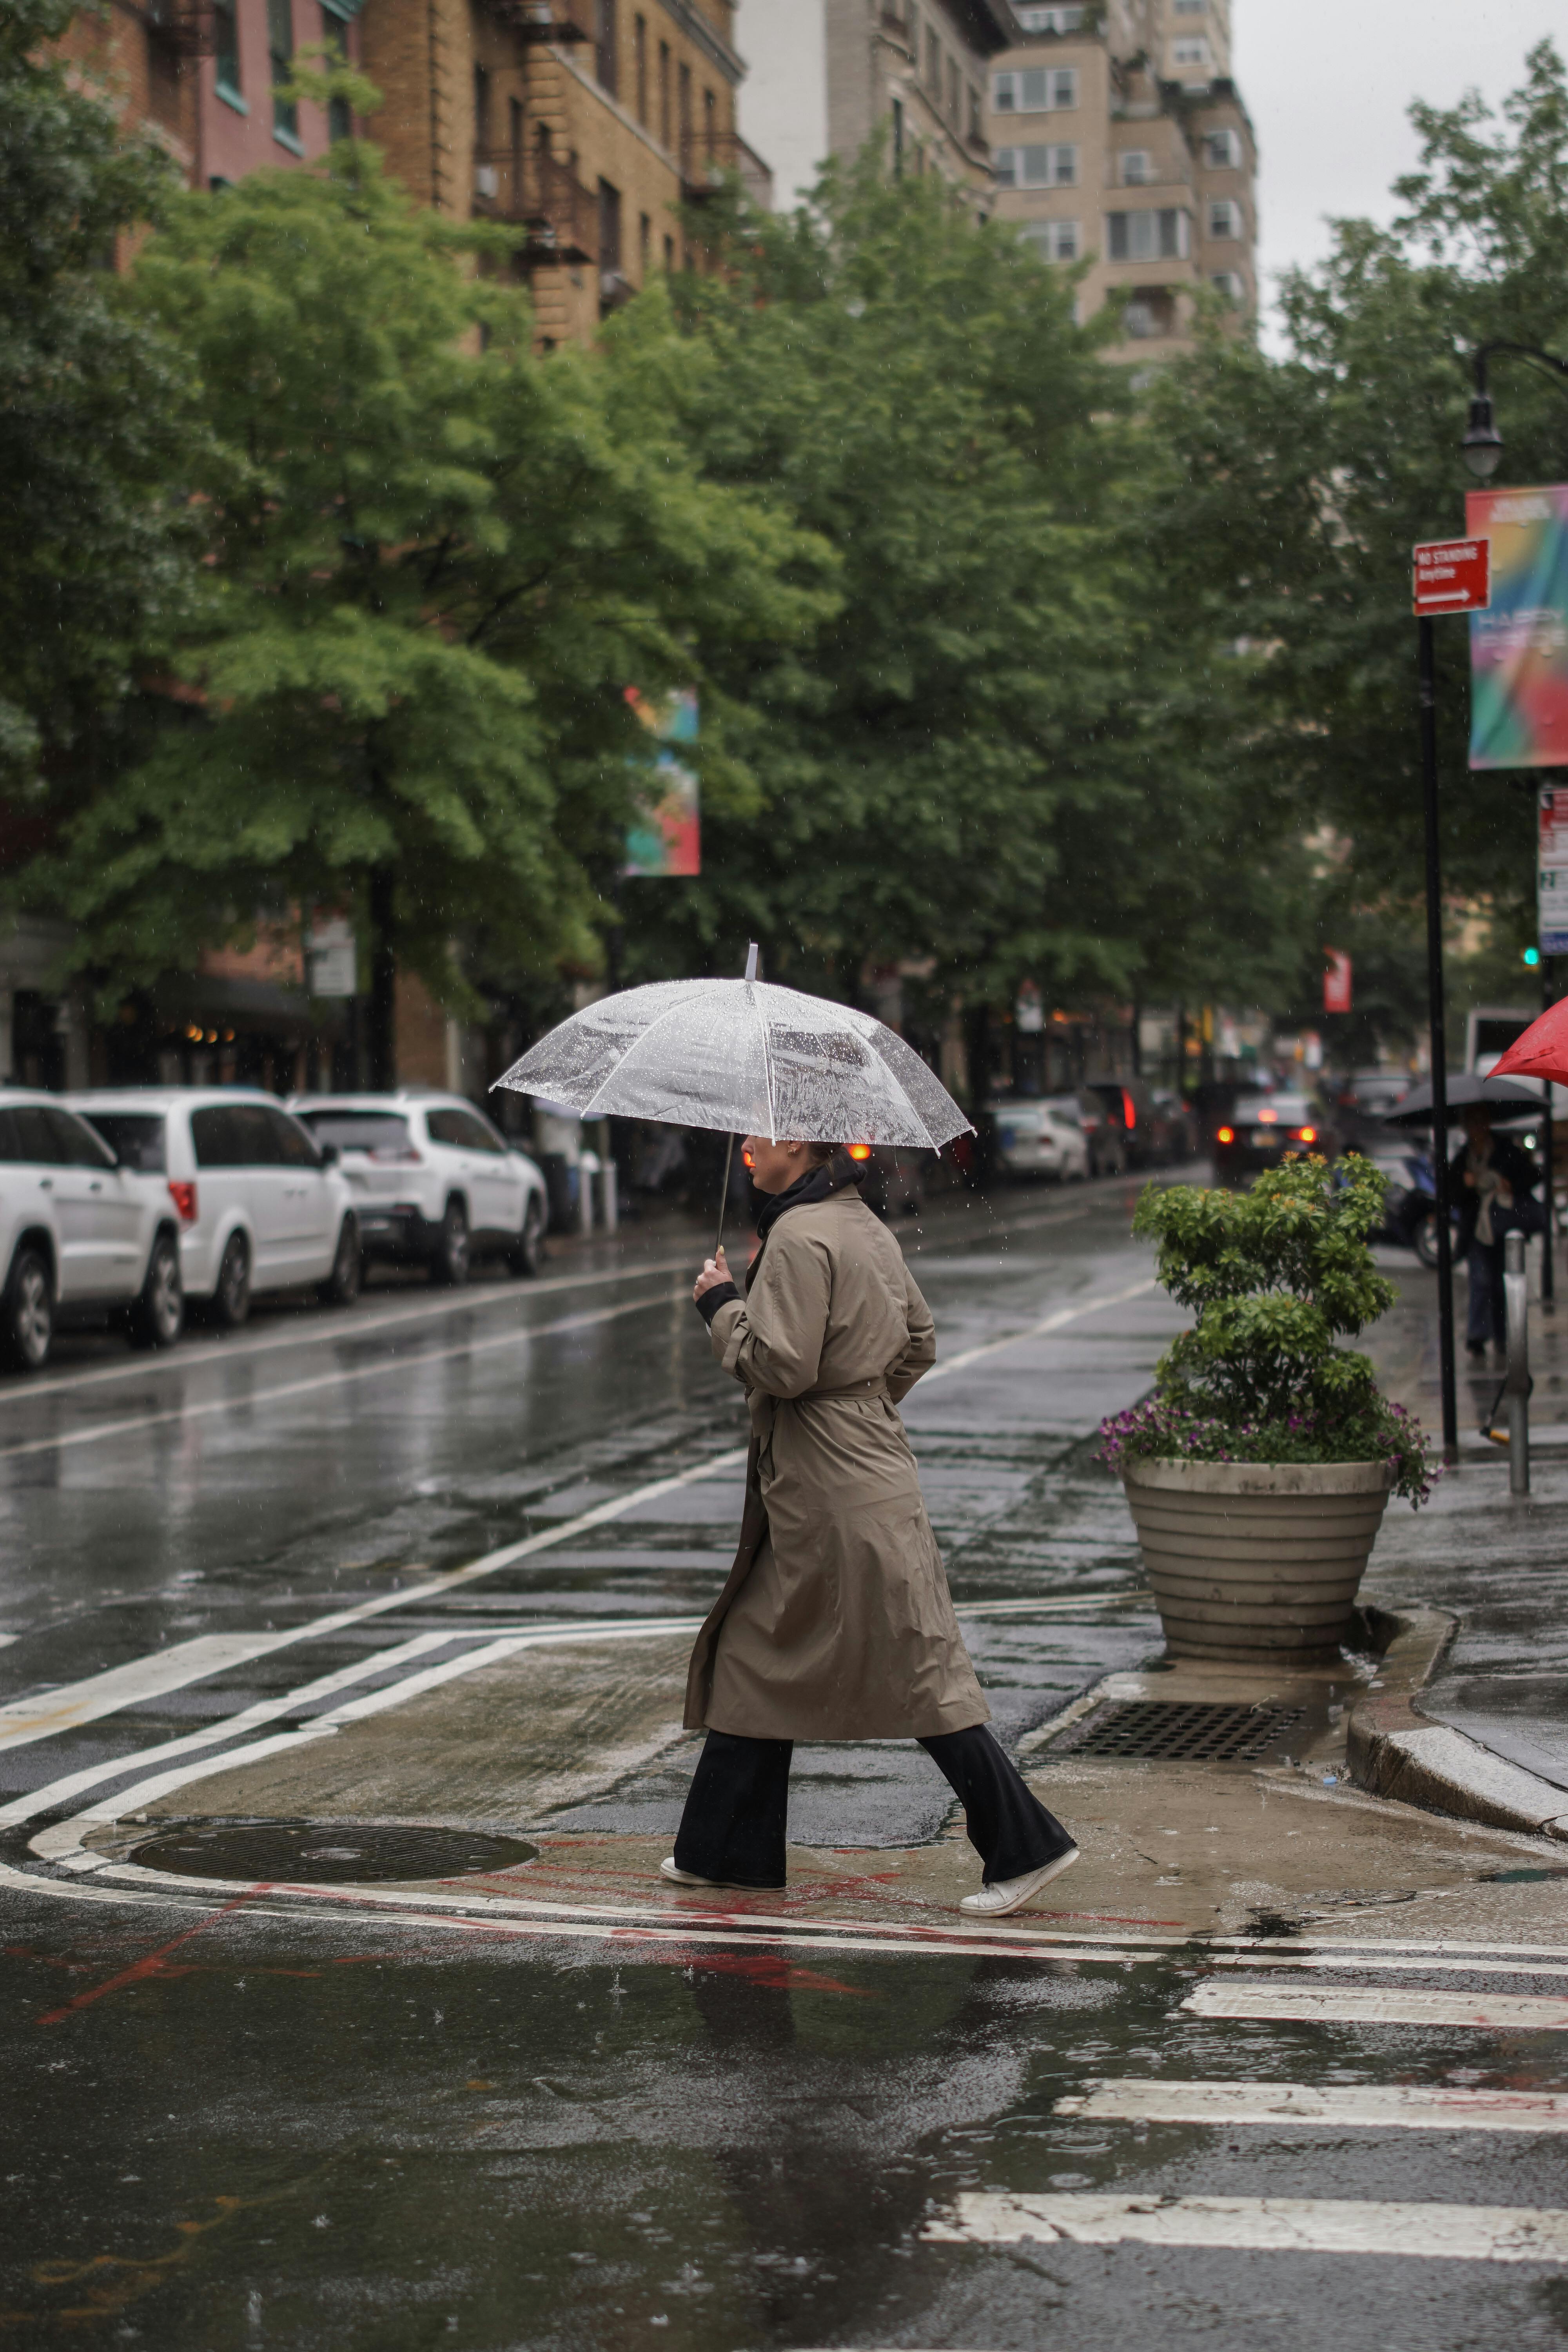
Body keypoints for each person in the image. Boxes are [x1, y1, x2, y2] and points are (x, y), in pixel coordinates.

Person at [664, 1134, 1079, 1918]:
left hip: (830, 1485)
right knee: (756, 1649)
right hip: (862, 1467)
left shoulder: (796, 1234)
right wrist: (858, 1397)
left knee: (916, 1671)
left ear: (801, 1143)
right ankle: (722, 1853)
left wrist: (720, 1304)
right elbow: (916, 1340)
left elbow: (781, 1365)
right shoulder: (858, 1223)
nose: (748, 1145)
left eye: (762, 1132)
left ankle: (1027, 1844)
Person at [1450, 1105, 1540, 1361]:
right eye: (1472, 1122)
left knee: (1503, 1284)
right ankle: (1477, 1337)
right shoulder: (1463, 1158)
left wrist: (1509, 1183)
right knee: (1481, 1282)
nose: (1477, 1128)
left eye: (1481, 1121)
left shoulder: (1506, 1150)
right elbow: (1452, 1194)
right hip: (1477, 1231)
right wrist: (1466, 1184)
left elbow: (1532, 1176)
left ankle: (1502, 1337)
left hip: (1504, 1227)